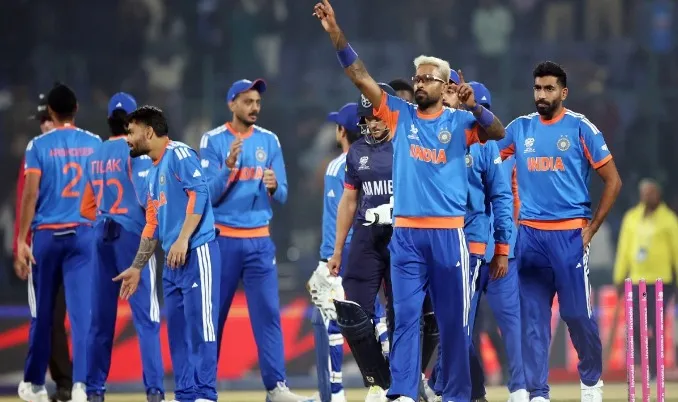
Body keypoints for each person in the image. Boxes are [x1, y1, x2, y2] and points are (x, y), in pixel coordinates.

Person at [313, 2, 506, 400]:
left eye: (427, 79)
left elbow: (498, 133)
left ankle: (457, 393)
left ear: (445, 85)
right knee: (405, 318)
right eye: (417, 77)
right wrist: (335, 33)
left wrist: (474, 106)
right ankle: (401, 392)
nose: (419, 83)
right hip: (406, 236)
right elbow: (359, 76)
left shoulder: (461, 122)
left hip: (448, 234)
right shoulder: (399, 114)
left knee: (454, 323)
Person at [496, 61, 622, 402]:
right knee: (533, 320)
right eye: (538, 88)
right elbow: (486, 150)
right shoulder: (520, 128)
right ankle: (538, 393)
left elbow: (613, 181)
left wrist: (591, 229)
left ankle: (591, 383)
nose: (542, 94)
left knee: (576, 315)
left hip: (569, 236)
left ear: (563, 92)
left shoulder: (581, 128)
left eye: (549, 88)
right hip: (530, 237)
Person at [199, 80, 308, 401]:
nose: (254, 107)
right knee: (213, 318)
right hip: (223, 240)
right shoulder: (213, 140)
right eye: (247, 101)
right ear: (231, 104)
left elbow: (283, 193)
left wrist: (274, 186)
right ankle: (204, 389)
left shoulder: (269, 140)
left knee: (269, 315)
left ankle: (276, 388)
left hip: (259, 241)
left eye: (257, 102)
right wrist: (227, 168)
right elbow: (206, 195)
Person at [117, 105, 221, 402]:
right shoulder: (151, 172)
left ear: (149, 132)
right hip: (173, 263)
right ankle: (185, 394)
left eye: (131, 132)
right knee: (176, 332)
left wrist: (183, 238)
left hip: (197, 252)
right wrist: (137, 266)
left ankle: (205, 393)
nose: (128, 139)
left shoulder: (179, 154)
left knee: (202, 325)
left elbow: (200, 192)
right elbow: (152, 223)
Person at [16, 84, 102, 402]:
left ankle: (35, 383)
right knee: (81, 315)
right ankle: (80, 384)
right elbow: (102, 190)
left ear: (50, 112)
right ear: (76, 109)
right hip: (82, 234)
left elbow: (30, 194)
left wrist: (22, 238)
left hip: (47, 236)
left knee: (44, 314)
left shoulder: (37, 145)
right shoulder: (94, 143)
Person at [79, 93, 165, 402]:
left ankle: (94, 390)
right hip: (131, 239)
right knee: (147, 319)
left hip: (101, 236)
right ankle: (154, 391)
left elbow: (86, 208)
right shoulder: (136, 152)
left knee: (100, 321)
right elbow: (147, 198)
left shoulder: (95, 155)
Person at [326, 84, 396, 402]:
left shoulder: (409, 145)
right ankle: (379, 381)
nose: (373, 124)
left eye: (377, 116)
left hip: (403, 235)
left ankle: (407, 378)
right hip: (367, 234)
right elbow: (349, 201)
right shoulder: (357, 152)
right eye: (367, 119)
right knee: (353, 312)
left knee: (404, 311)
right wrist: (338, 250)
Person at [13, 93, 73, 402]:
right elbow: (23, 201)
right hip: (47, 244)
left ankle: (68, 383)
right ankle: (65, 384)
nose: (45, 125)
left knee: (59, 316)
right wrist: (21, 246)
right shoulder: (36, 151)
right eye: (42, 121)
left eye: (48, 119)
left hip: (66, 242)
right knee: (49, 317)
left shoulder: (49, 150)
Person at [306, 103, 362, 402]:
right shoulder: (375, 162)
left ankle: (334, 394)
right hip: (370, 249)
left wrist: (328, 259)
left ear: (341, 131)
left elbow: (334, 218)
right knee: (378, 319)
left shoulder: (337, 166)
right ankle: (388, 387)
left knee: (328, 320)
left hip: (342, 253)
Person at [613, 178, 678, 379]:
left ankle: (655, 369)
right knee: (636, 324)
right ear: (641, 195)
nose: (649, 196)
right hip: (636, 280)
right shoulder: (631, 218)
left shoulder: (668, 219)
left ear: (658, 195)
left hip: (661, 281)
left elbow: (676, 251)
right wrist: (619, 277)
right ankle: (643, 364)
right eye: (646, 193)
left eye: (653, 193)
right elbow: (624, 250)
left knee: (655, 325)